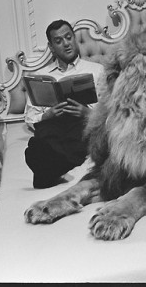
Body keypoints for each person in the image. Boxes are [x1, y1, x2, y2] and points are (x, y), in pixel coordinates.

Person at [24, 19, 104, 188]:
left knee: (80, 135)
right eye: (58, 41)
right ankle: (54, 163)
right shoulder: (40, 75)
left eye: (68, 37)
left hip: (81, 122)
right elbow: (30, 117)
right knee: (44, 134)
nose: (66, 44)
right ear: (51, 47)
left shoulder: (96, 70)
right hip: (52, 124)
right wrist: (48, 114)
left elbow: (109, 110)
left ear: (74, 39)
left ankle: (47, 169)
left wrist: (87, 113)